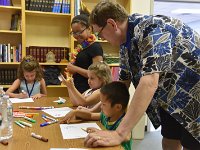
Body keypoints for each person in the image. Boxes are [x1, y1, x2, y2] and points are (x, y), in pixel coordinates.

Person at [84, 1, 200, 150]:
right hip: (171, 97)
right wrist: (93, 111)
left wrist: (121, 133)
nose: (100, 37)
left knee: (192, 145)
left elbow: (149, 81)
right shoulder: (125, 43)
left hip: (194, 95)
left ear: (112, 24)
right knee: (170, 139)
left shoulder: (153, 28)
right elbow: (121, 86)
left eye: (99, 33)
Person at [60, 81, 132, 150]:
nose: (101, 107)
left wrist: (101, 132)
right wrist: (75, 112)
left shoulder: (124, 122)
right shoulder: (106, 116)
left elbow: (126, 137)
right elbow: (90, 115)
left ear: (118, 107)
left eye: (104, 104)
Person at [66, 11, 103, 94]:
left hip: (89, 92)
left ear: (89, 28)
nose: (76, 35)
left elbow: (97, 74)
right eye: (74, 33)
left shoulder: (95, 47)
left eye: (79, 32)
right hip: (79, 90)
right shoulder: (81, 47)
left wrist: (75, 69)